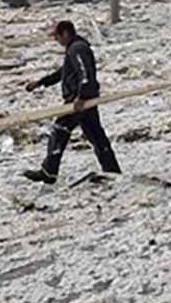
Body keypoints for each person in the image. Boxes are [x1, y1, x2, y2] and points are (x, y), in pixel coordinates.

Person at [23, 21, 121, 184]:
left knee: (60, 130)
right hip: (84, 99)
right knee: (96, 135)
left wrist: (81, 97)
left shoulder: (78, 49)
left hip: (79, 100)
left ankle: (49, 171)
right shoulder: (75, 48)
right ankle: (112, 171)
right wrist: (41, 82)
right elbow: (65, 72)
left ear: (66, 33)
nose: (56, 40)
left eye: (57, 36)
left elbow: (85, 73)